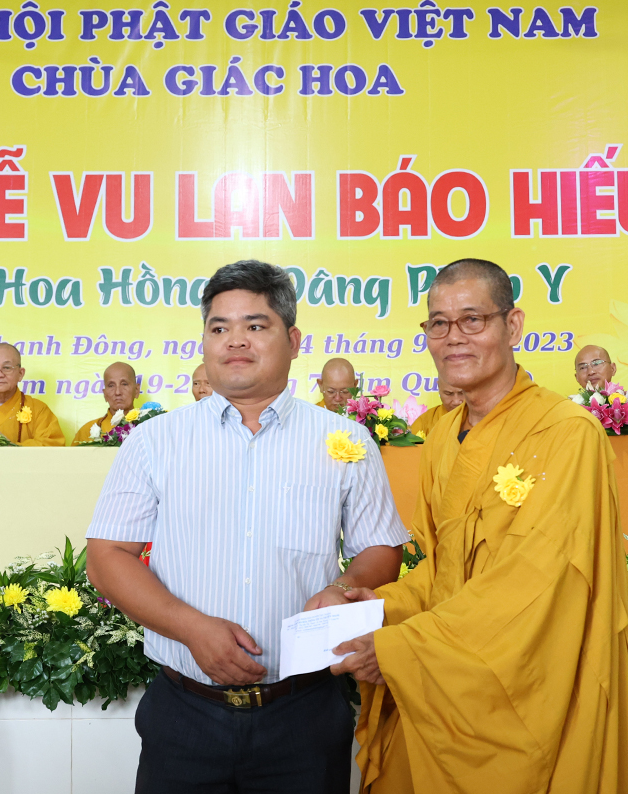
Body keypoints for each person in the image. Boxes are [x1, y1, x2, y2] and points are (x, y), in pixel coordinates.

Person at [332, 258, 628, 793]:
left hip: (532, 690)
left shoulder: (566, 433)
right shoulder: (442, 436)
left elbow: (537, 581)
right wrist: (383, 606)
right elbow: (444, 568)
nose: (453, 338)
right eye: (439, 323)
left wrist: (402, 649)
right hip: (447, 679)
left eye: (472, 320)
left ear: (513, 325)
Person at [85, 259, 408, 794]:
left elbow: (381, 548)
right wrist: (192, 629)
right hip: (184, 712)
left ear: (293, 340)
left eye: (255, 325)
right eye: (219, 328)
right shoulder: (155, 441)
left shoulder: (346, 441)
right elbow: (106, 558)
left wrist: (344, 586)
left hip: (304, 715)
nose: (235, 340)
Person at [0, 343, 66, 446]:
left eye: (6, 368)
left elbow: (53, 445)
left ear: (20, 373)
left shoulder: (39, 410)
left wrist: (11, 447)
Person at [72, 362, 141, 444]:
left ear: (136, 390)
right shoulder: (88, 431)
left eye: (124, 384)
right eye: (111, 386)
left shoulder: (149, 426)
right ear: (105, 394)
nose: (118, 392)